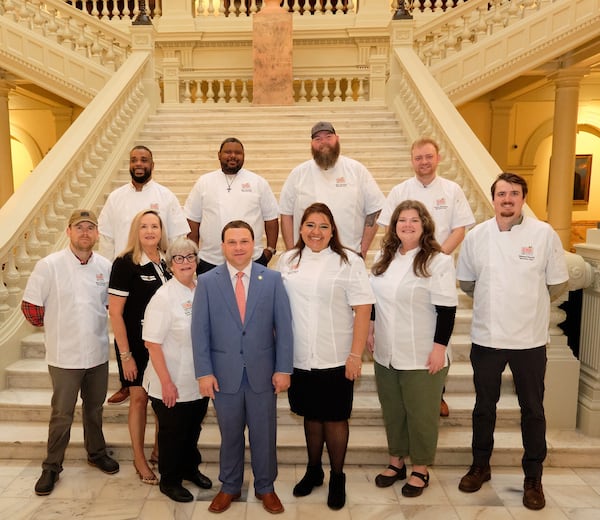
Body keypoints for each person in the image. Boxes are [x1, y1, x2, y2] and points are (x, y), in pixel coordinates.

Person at [456, 172, 569, 511]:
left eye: (514, 194)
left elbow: (556, 284)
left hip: (529, 340)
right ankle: (480, 466)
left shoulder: (543, 234)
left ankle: (533, 478)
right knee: (483, 409)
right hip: (487, 337)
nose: (507, 199)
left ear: (523, 198)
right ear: (493, 199)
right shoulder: (477, 236)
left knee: (532, 411)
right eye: (501, 193)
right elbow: (467, 284)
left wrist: (526, 304)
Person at [192, 220, 293, 515]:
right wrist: (204, 372)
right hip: (224, 376)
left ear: (255, 244)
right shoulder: (208, 282)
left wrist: (283, 368)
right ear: (222, 246)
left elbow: (284, 328)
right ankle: (230, 486)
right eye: (232, 242)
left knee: (264, 434)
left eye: (244, 241)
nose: (238, 247)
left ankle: (266, 487)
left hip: (263, 373)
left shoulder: (272, 280)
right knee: (230, 434)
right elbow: (200, 331)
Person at [278, 202, 374, 510]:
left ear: (332, 230)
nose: (315, 232)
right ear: (300, 228)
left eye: (322, 226)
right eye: (309, 225)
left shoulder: (349, 261)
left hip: (336, 355)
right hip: (299, 356)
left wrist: (355, 355)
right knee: (310, 415)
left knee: (334, 417)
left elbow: (362, 309)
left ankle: (337, 476)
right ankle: (313, 470)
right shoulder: (288, 259)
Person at [22, 209, 119, 496]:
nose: (85, 233)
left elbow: (110, 306)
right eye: (80, 227)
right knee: (62, 414)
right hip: (64, 357)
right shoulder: (48, 265)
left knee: (94, 409)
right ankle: (52, 466)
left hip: (97, 354)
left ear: (97, 234)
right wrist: (58, 327)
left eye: (90, 228)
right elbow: (31, 309)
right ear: (69, 232)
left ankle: (96, 452)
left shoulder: (105, 266)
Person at [378, 137, 475, 419]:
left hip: (435, 268)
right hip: (402, 266)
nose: (424, 162)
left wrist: (431, 257)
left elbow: (459, 229)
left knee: (439, 326)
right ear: (412, 160)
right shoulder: (400, 190)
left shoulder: (452, 189)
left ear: (438, 158)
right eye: (418, 157)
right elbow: (389, 228)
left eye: (428, 156)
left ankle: (437, 394)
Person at [368, 200, 457, 497]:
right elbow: (373, 299)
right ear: (394, 227)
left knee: (421, 413)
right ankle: (396, 463)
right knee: (392, 410)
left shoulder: (437, 260)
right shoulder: (384, 257)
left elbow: (447, 310)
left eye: (413, 221)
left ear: (424, 226)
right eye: (401, 220)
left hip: (422, 352)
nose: (407, 225)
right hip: (386, 351)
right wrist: (369, 328)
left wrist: (438, 349)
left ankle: (420, 468)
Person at [99, 145, 189, 406]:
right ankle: (128, 384)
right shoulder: (116, 197)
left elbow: (179, 237)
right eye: (134, 160)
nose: (139, 164)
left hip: (156, 274)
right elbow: (105, 238)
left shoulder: (165, 195)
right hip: (126, 275)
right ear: (129, 164)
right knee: (124, 325)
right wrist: (110, 279)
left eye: (144, 160)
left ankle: (160, 380)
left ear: (152, 163)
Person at [143, 237, 212, 502]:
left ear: (197, 261)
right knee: (173, 434)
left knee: (193, 429)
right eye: (178, 258)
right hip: (168, 381)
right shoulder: (163, 296)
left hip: (197, 380)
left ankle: (190, 469)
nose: (185, 262)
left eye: (190, 257)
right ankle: (169, 481)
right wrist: (167, 383)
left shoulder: (202, 290)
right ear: (170, 264)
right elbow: (152, 343)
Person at [108, 209, 170, 487]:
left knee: (160, 401)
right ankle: (139, 458)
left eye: (154, 226)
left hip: (163, 346)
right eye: (143, 226)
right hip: (133, 346)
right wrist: (125, 356)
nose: (149, 230)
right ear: (136, 230)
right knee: (139, 400)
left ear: (161, 230)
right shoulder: (124, 263)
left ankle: (159, 450)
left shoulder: (168, 261)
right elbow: (115, 313)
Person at [279, 121, 385, 259]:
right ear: (311, 144)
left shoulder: (356, 170)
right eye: (318, 139)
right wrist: (292, 252)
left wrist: (363, 250)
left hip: (348, 255)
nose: (324, 142)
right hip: (306, 256)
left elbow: (375, 209)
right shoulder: (298, 174)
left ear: (337, 139)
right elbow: (286, 214)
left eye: (328, 137)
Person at [184, 137, 279, 273]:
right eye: (228, 152)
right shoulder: (204, 182)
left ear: (244, 156)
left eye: (238, 153)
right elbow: (193, 220)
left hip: (252, 260)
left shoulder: (258, 182)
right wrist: (193, 253)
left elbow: (271, 218)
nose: (233, 156)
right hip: (210, 261)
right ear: (219, 155)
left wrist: (270, 250)